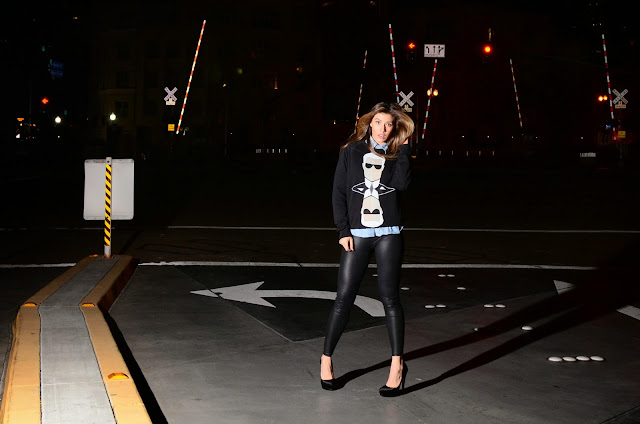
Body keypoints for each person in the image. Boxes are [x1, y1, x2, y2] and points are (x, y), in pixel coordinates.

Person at [321, 102, 414, 396]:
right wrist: (342, 231)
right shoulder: (351, 152)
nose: (383, 129)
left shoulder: (396, 154)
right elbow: (338, 192)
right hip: (357, 234)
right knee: (343, 299)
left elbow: (402, 185)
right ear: (369, 123)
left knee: (390, 300)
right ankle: (326, 359)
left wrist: (405, 151)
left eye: (389, 124)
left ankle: (397, 366)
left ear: (395, 127)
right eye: (378, 123)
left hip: (389, 234)